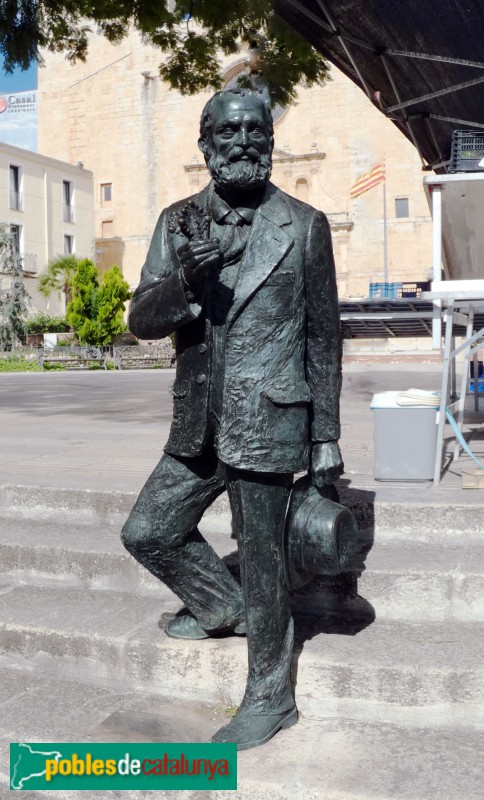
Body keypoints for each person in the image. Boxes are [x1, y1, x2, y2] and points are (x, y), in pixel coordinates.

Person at [121, 87, 343, 750]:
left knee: (267, 559)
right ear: (206, 143)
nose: (245, 141)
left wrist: (326, 433)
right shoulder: (178, 221)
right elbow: (141, 322)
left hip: (271, 417)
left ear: (269, 142)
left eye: (257, 131)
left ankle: (272, 699)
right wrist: (184, 284)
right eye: (231, 131)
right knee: (148, 530)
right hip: (199, 421)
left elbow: (323, 336)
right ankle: (225, 608)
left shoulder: (303, 224)